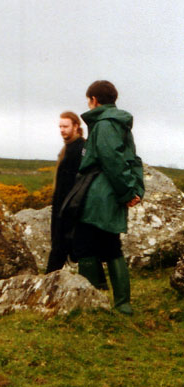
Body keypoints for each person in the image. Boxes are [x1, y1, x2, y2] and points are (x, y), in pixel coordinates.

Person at [74, 80, 144, 315]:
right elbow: (133, 159)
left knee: (85, 245)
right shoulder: (120, 124)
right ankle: (121, 303)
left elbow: (112, 159)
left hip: (100, 193)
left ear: (94, 100)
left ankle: (93, 303)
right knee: (109, 244)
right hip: (111, 192)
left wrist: (127, 193)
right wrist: (135, 191)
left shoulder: (104, 125)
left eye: (89, 100)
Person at [45, 112, 108, 288]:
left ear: (75, 126)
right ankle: (99, 283)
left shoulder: (80, 148)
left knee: (63, 246)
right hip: (63, 205)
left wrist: (72, 206)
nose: (62, 130)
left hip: (72, 207)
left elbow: (83, 180)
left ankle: (47, 284)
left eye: (65, 126)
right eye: (60, 126)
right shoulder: (68, 147)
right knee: (78, 246)